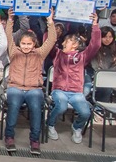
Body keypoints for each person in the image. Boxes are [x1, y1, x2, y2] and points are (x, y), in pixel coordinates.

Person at [4, 9, 56, 155]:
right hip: (15, 87)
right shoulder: (14, 52)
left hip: (34, 88)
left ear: (34, 44)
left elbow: (51, 40)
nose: (26, 46)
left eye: (29, 44)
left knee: (35, 108)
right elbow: (8, 36)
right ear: (19, 43)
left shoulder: (39, 54)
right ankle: (9, 137)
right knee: (13, 105)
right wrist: (10, 20)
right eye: (24, 43)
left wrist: (50, 22)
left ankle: (34, 140)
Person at [47, 13, 100, 144]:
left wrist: (95, 25)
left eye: (68, 41)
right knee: (61, 107)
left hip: (76, 91)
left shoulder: (82, 56)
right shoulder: (58, 54)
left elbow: (95, 45)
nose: (64, 42)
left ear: (75, 45)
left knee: (85, 112)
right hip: (59, 90)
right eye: (64, 41)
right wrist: (50, 22)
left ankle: (76, 127)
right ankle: (50, 124)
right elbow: (49, 41)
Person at [91, 26, 116, 103]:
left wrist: (107, 75)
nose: (107, 39)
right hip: (94, 76)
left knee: (107, 87)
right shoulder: (94, 48)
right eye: (104, 37)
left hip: (108, 77)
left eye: (110, 37)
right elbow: (94, 64)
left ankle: (101, 110)